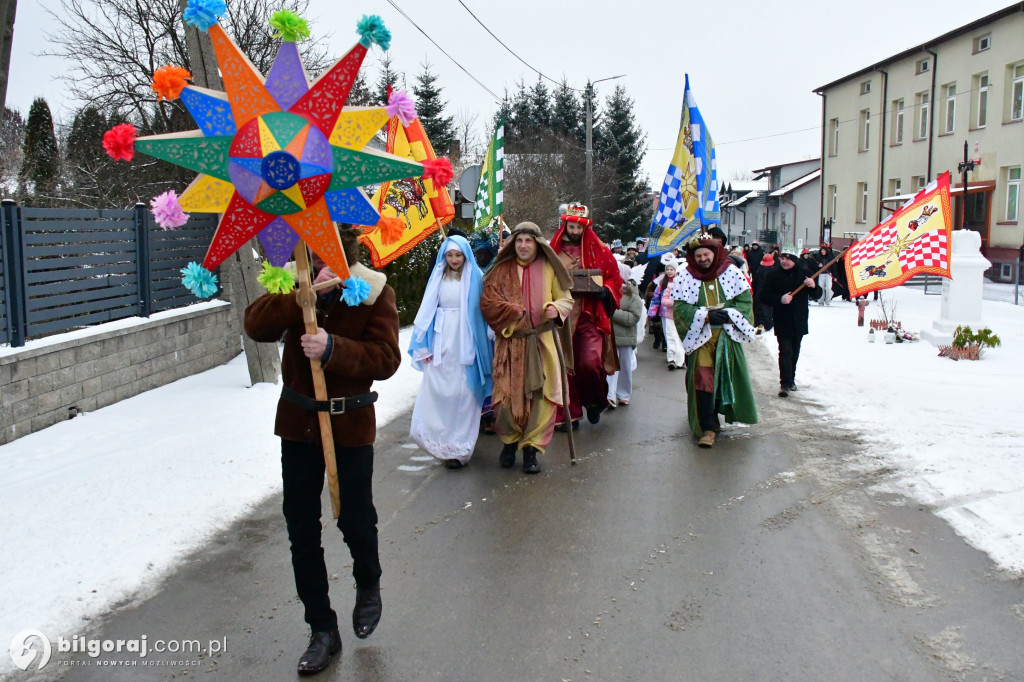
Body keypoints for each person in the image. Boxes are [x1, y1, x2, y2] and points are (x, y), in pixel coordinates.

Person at [243, 226, 400, 675]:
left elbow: (387, 359)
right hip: (298, 425)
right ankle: (321, 628)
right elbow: (254, 325)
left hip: (349, 425)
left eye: (327, 256)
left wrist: (333, 348)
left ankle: (368, 582)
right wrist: (297, 299)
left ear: (345, 255)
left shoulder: (371, 291)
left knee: (354, 517)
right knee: (301, 529)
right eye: (313, 256)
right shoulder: (291, 284)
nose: (318, 264)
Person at [480, 222, 574, 474]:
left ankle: (531, 448)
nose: (523, 245)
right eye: (519, 240)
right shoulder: (501, 270)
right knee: (506, 398)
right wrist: (510, 312)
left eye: (528, 241)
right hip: (510, 343)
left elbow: (566, 299)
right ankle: (510, 443)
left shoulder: (549, 268)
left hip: (542, 343)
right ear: (514, 243)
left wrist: (557, 309)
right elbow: (487, 302)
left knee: (542, 398)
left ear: (537, 244)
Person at [408, 236, 494, 469]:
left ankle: (460, 446)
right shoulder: (437, 276)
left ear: (466, 255)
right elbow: (428, 312)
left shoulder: (476, 276)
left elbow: (484, 308)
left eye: (458, 255)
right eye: (449, 255)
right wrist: (423, 344)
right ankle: (440, 441)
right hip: (442, 339)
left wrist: (488, 334)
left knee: (464, 393)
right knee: (440, 390)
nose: (454, 259)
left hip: (467, 339)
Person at [672, 234, 758, 448]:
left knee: (724, 381)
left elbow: (745, 301)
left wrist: (729, 314)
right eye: (698, 255)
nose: (702, 259)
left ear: (714, 253)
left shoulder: (731, 272)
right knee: (703, 382)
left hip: (726, 338)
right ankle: (707, 428)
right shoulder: (685, 277)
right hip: (702, 339)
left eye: (706, 254)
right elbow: (680, 309)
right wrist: (706, 316)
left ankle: (720, 418)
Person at [550, 203, 623, 427]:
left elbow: (614, 278)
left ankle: (594, 401)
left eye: (579, 229)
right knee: (564, 366)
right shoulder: (552, 251)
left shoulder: (599, 249)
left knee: (590, 362)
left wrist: (606, 291)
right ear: (566, 225)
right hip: (563, 316)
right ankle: (569, 415)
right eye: (572, 227)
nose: (575, 232)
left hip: (589, 315)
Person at [758, 249, 821, 397]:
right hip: (782, 319)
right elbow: (763, 296)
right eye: (783, 258)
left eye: (788, 259)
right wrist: (780, 299)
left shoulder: (804, 273)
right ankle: (785, 383)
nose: (785, 261)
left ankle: (791, 378)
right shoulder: (773, 275)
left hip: (799, 319)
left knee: (795, 350)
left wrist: (813, 286)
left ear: (794, 260)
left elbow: (818, 295)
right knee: (785, 350)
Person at [607, 262, 643, 407]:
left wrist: (613, 313)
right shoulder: (608, 291)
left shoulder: (633, 296)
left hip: (625, 339)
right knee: (609, 368)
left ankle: (623, 394)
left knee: (625, 368)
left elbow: (633, 318)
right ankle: (610, 395)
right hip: (609, 337)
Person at [648, 256, 686, 370]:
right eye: (668, 269)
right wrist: (652, 312)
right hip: (664, 313)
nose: (669, 271)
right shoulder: (662, 283)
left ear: (676, 271)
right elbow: (656, 298)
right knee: (668, 335)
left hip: (678, 314)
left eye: (672, 269)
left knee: (676, 336)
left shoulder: (680, 282)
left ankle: (679, 359)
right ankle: (671, 358)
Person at [752, 252, 776, 331]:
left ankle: (759, 323)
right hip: (770, 293)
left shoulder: (758, 270)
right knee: (769, 311)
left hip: (759, 293)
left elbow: (754, 283)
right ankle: (768, 325)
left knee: (759, 310)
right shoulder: (774, 271)